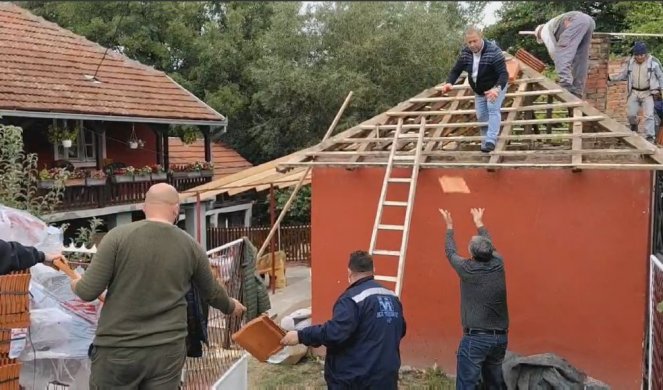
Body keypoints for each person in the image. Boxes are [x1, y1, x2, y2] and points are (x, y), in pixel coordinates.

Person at [70, 183, 246, 390]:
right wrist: (232, 306)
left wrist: (75, 283)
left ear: (144, 207)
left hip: (118, 350)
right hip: (167, 351)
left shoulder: (116, 237)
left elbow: (87, 291)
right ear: (176, 209)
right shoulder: (190, 245)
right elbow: (212, 292)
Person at [280, 250, 406, 389]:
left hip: (355, 381)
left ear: (349, 272)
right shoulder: (392, 298)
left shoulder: (351, 299)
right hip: (386, 380)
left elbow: (335, 333)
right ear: (373, 270)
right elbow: (401, 330)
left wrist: (300, 335)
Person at [439, 208, 508, 390]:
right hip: (500, 339)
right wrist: (479, 222)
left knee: (466, 385)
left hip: (476, 339)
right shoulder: (498, 263)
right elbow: (489, 244)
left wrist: (449, 227)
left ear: (471, 253)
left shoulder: (467, 269)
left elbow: (450, 251)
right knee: (494, 385)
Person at [441, 26, 509, 153]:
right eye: (469, 42)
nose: (472, 45)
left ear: (481, 37)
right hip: (479, 90)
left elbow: (503, 74)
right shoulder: (466, 53)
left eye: (475, 41)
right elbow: (456, 70)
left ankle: (491, 140)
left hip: (495, 86)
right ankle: (485, 143)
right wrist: (449, 83)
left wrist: (496, 89)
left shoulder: (494, 52)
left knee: (492, 108)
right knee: (481, 115)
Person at [609, 41, 663, 143]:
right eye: (637, 55)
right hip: (634, 92)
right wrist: (611, 78)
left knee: (649, 115)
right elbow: (623, 74)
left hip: (648, 92)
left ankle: (650, 136)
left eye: (641, 55)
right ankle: (634, 125)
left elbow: (661, 77)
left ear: (646, 54)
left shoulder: (654, 63)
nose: (639, 57)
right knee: (631, 114)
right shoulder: (630, 63)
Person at [534, 11, 596, 99]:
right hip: (590, 22)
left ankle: (565, 83)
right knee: (580, 59)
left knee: (561, 52)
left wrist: (560, 66)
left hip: (576, 20)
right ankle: (577, 90)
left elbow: (554, 51)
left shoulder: (544, 30)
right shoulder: (554, 24)